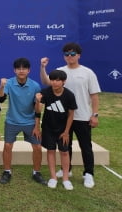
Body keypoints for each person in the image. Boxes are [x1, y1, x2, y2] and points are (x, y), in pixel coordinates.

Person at [40, 42, 101, 188]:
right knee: (65, 146)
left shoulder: (87, 73)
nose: (69, 56)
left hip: (82, 116)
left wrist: (95, 115)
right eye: (67, 54)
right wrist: (43, 67)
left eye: (72, 54)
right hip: (63, 118)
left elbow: (94, 96)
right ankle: (68, 170)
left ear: (79, 55)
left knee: (85, 145)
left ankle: (88, 173)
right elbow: (46, 81)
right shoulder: (60, 72)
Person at [0, 57, 46, 185]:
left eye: (24, 68)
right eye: (18, 68)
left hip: (30, 122)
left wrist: (37, 126)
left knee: (37, 147)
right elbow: (1, 99)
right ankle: (7, 171)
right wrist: (1, 87)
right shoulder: (9, 83)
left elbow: (37, 109)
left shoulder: (35, 85)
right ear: (14, 70)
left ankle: (36, 172)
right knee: (7, 146)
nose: (21, 71)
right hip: (12, 120)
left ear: (29, 70)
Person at [35, 69, 77, 190]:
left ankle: (65, 178)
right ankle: (53, 177)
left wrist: (66, 132)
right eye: (52, 80)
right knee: (51, 151)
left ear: (64, 81)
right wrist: (38, 101)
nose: (55, 82)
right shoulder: (45, 92)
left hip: (63, 130)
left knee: (64, 152)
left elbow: (71, 115)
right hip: (48, 128)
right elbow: (38, 111)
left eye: (58, 80)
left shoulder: (69, 95)